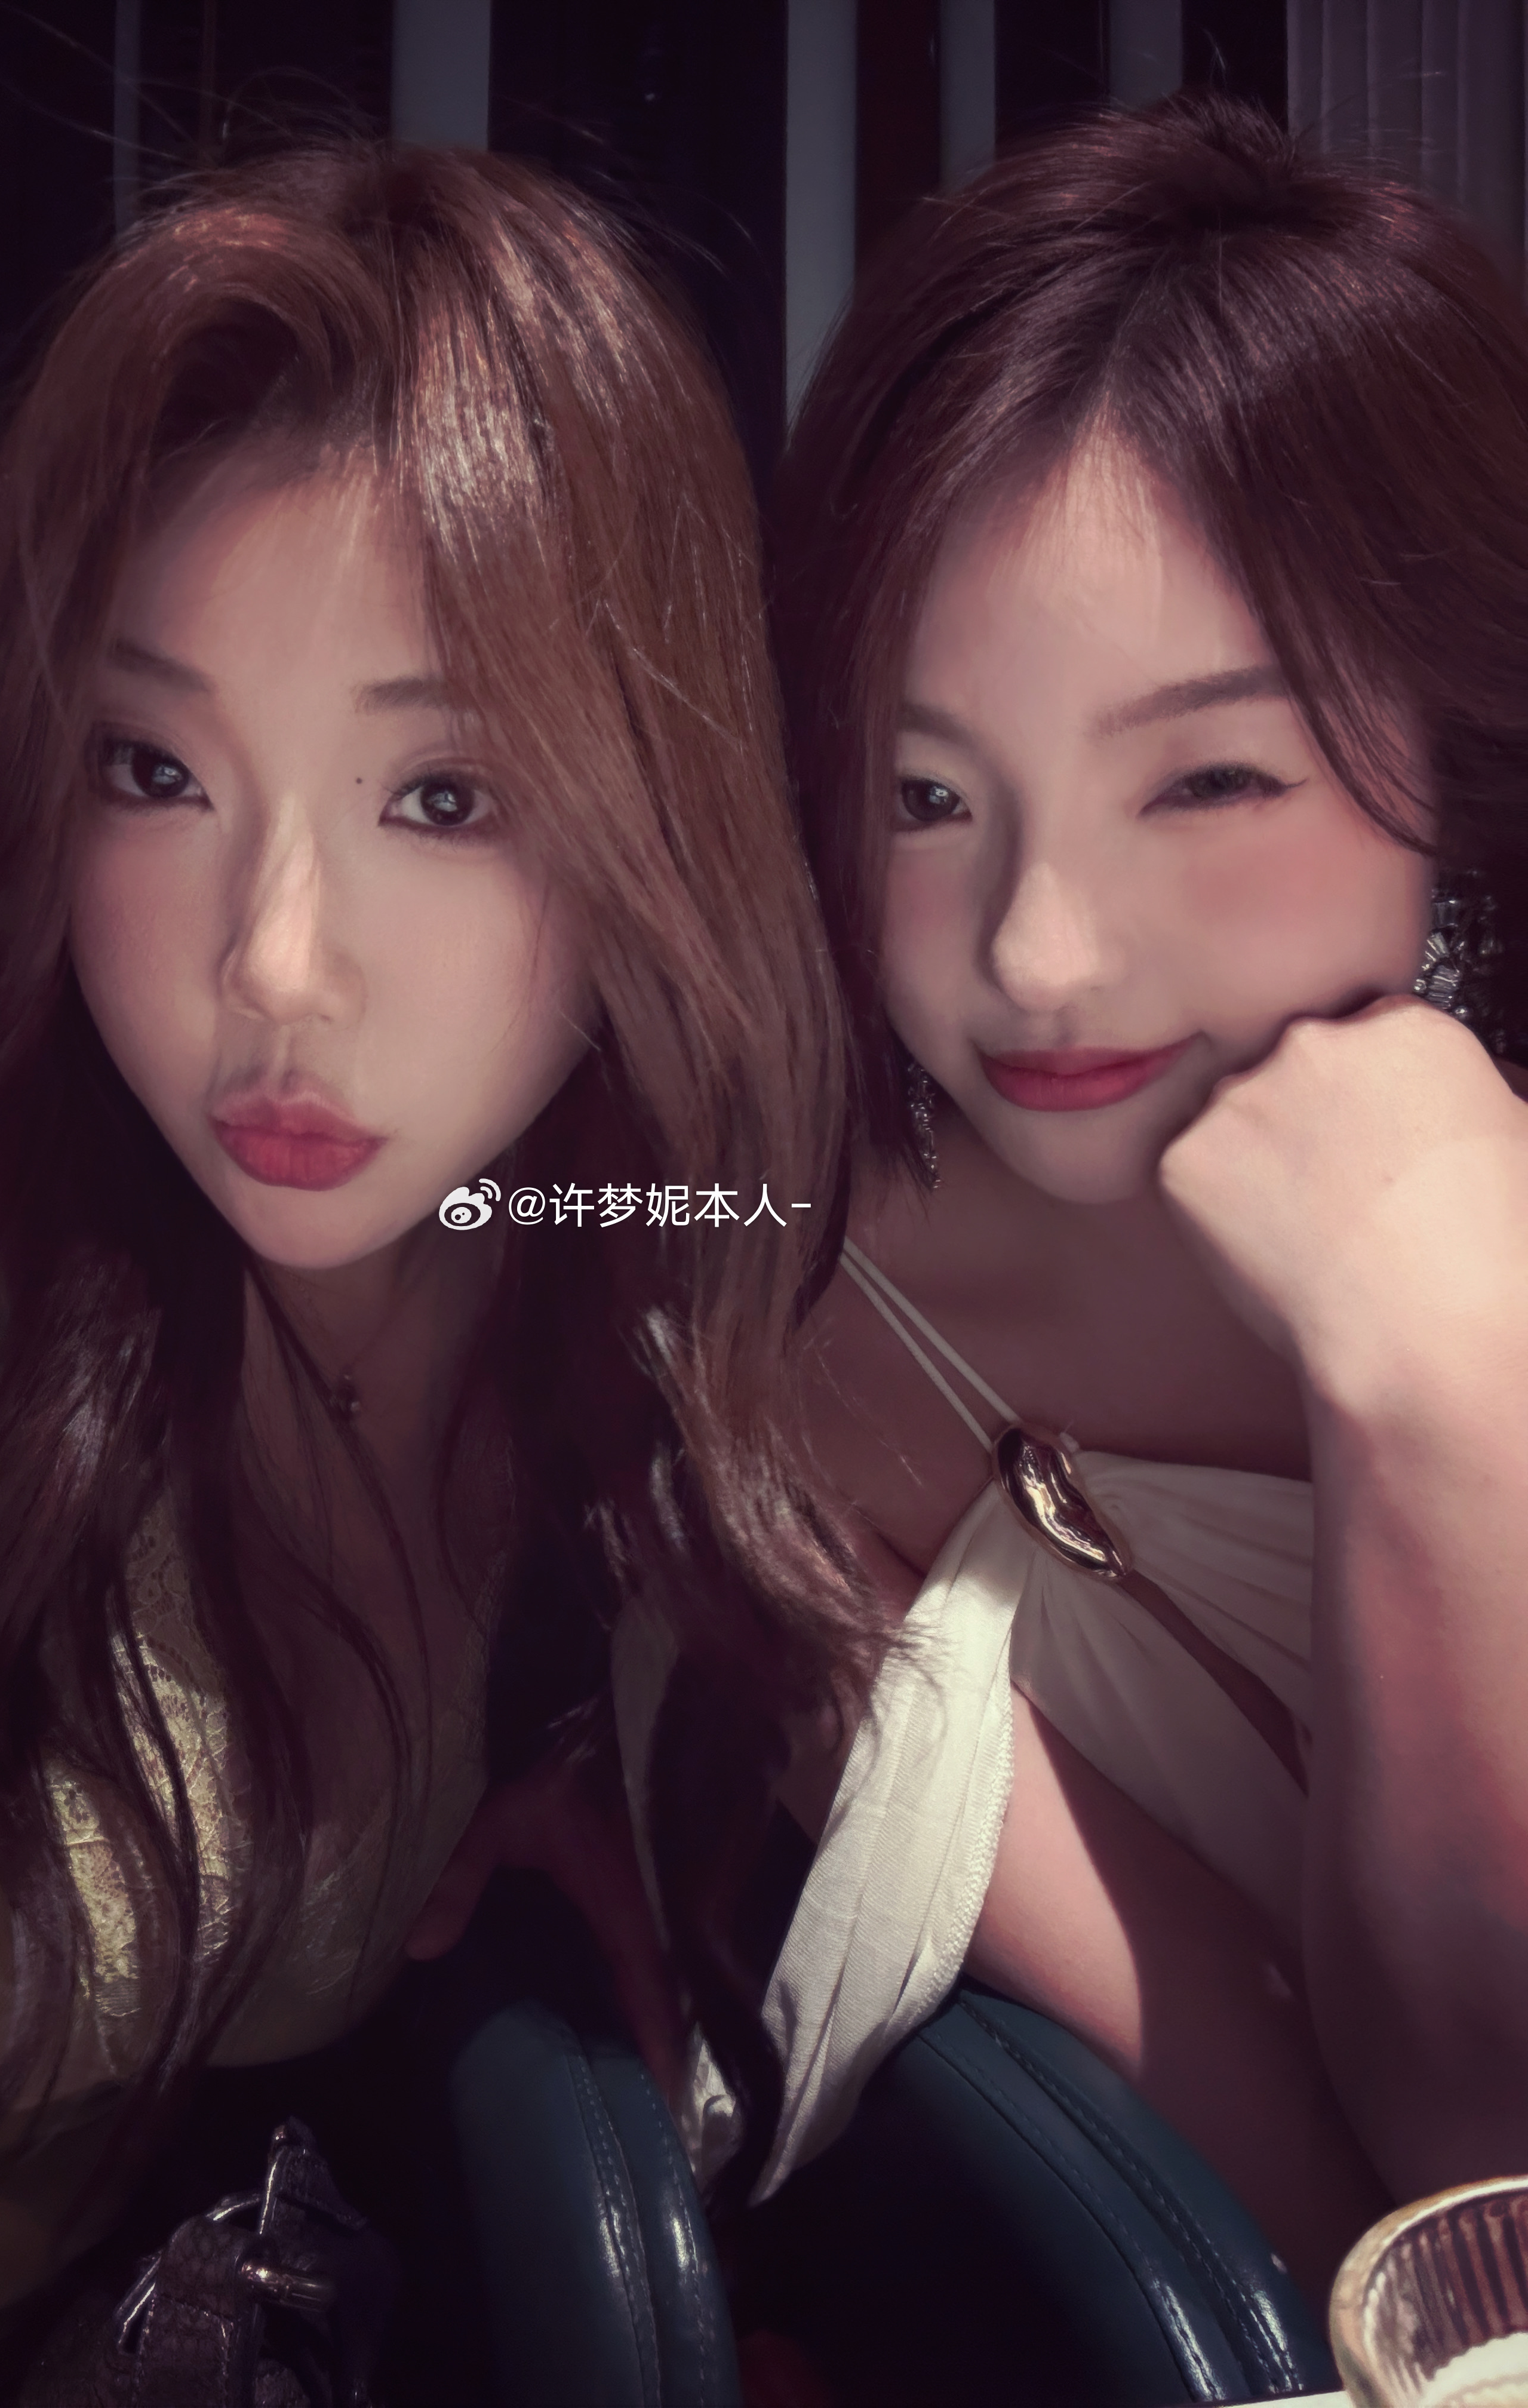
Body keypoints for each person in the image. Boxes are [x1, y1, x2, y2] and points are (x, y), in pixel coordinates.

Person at [0, 143, 859, 2403]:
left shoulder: (566, 1270)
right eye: (154, 767)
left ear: (652, 823)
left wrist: (586, 1761)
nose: (271, 964)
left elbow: (835, 1271)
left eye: (443, 795)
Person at [659, 91, 1528, 2308]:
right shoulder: (807, 1355)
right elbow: (1439, 2227)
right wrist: (1433, 1396)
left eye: (1208, 778)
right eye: (924, 793)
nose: (1039, 953)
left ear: (1460, 758)